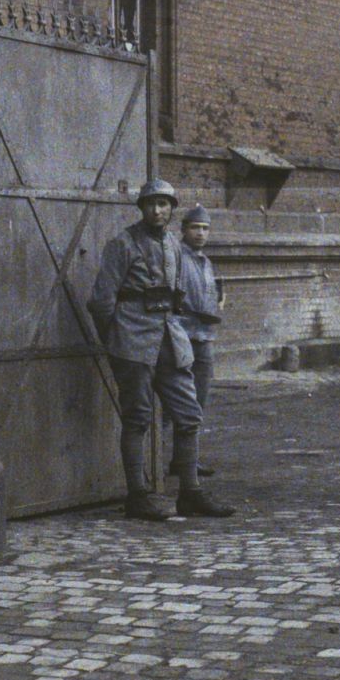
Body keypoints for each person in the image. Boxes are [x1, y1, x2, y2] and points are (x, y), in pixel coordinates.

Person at [88, 179, 233, 521]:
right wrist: (116, 339)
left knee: (189, 414)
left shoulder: (173, 245)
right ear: (142, 207)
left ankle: (190, 492)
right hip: (133, 339)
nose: (157, 210)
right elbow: (101, 301)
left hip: (169, 337)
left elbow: (178, 293)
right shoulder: (122, 244)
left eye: (164, 204)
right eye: (151, 204)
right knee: (137, 418)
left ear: (172, 209)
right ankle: (137, 496)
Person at [174, 204, 222, 479]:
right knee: (176, 400)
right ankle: (160, 461)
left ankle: (185, 460)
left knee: (198, 401)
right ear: (183, 230)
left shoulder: (206, 262)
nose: (200, 233)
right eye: (195, 228)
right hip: (181, 336)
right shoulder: (176, 257)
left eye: (205, 229)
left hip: (204, 337)